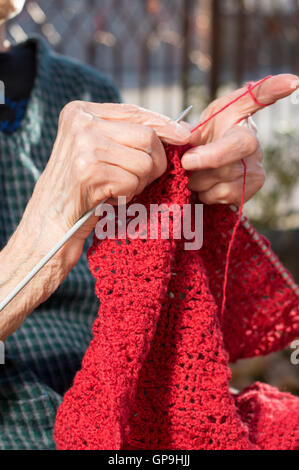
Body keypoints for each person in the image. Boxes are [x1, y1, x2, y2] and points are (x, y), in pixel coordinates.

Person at [0, 0, 298, 450]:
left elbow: (153, 293)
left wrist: (194, 198)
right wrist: (45, 233)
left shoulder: (81, 88)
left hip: (134, 413)